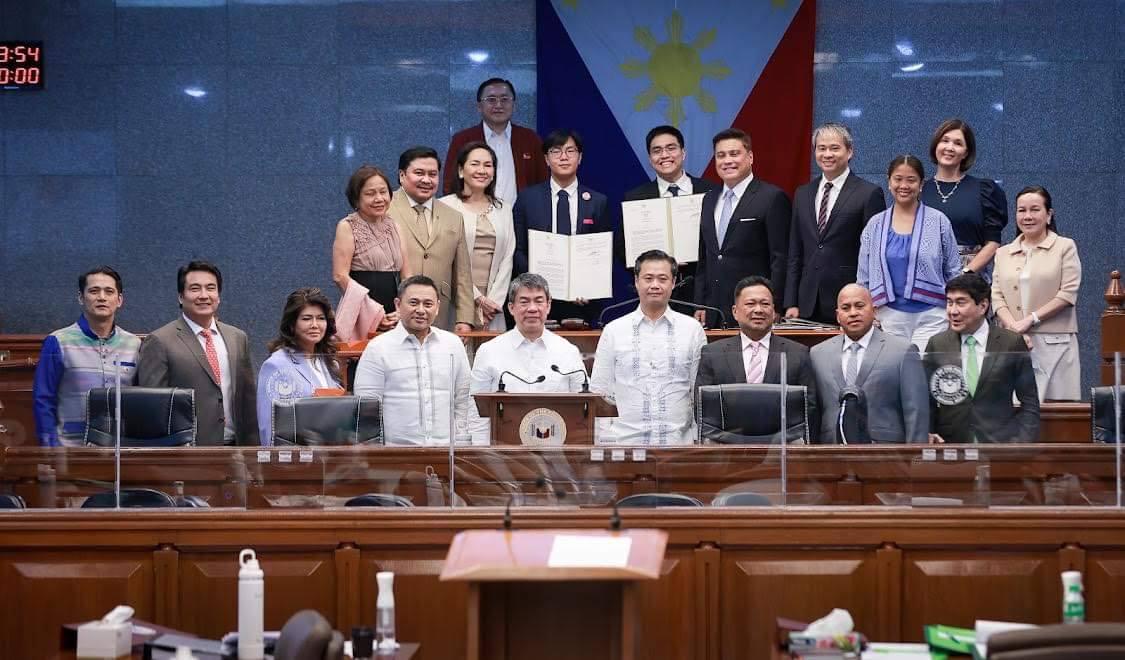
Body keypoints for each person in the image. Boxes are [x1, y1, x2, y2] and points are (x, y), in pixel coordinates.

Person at [591, 250, 706, 445]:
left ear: (673, 282)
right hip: (624, 445)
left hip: (679, 445)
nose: (655, 285)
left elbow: (700, 394)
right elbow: (599, 393)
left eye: (662, 279)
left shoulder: (692, 330)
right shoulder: (614, 330)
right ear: (636, 281)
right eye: (648, 278)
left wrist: (697, 440)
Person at [137, 261, 258, 446]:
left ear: (218, 296)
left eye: (211, 288)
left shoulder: (237, 337)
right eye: (195, 288)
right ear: (180, 296)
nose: (204, 295)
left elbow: (247, 400)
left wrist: (253, 453)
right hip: (187, 453)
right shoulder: (159, 341)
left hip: (236, 449)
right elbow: (152, 408)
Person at [784, 122, 886, 324]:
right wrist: (791, 302)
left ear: (849, 152)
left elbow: (876, 254)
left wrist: (871, 301)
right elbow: (795, 252)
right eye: (821, 148)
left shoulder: (869, 193)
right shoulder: (803, 193)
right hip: (806, 304)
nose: (827, 154)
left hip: (850, 302)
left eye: (834, 148)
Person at [468, 273, 588, 444]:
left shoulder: (568, 351)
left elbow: (583, 409)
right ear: (511, 308)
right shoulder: (489, 351)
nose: (532, 308)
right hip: (504, 453)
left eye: (539, 301)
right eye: (524, 302)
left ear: (548, 306)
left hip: (557, 453)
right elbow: (475, 412)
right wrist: (482, 455)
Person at [857, 155, 961, 352]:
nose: (904, 185)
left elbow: (954, 271)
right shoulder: (875, 225)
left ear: (921, 184)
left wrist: (953, 308)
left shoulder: (939, 221)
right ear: (889, 182)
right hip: (888, 315)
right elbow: (863, 277)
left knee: (924, 373)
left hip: (933, 315)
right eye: (898, 179)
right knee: (894, 374)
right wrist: (867, 311)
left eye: (911, 180)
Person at [697, 276, 819, 441]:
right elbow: (703, 407)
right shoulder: (713, 354)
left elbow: (808, 408)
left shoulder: (797, 353)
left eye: (765, 304)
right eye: (750, 304)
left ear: (774, 310)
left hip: (781, 449)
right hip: (727, 450)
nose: (758, 310)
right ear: (735, 311)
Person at [353, 276, 472, 445]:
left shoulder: (453, 344)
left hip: (447, 452)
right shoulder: (377, 348)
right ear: (397, 304)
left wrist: (461, 445)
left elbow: (463, 401)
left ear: (437, 307)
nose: (421, 310)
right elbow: (367, 410)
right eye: (414, 303)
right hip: (398, 455)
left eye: (428, 304)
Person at [512, 129, 613, 325]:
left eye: (570, 151)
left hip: (583, 301)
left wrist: (590, 287)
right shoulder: (527, 199)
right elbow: (518, 250)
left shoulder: (598, 202)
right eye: (556, 151)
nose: (564, 157)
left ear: (580, 157)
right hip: (536, 300)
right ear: (546, 159)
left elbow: (602, 254)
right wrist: (535, 287)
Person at [33, 266, 142, 447]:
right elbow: (44, 400)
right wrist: (51, 451)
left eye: (109, 291)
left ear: (119, 300)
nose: (102, 297)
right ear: (81, 298)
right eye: (93, 291)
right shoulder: (58, 341)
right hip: (70, 451)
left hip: (120, 452)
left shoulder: (134, 344)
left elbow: (141, 402)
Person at [925, 273, 1039, 444]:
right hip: (951, 447)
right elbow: (927, 399)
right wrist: (929, 432)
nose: (952, 311)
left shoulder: (1011, 343)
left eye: (961, 303)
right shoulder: (937, 343)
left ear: (983, 305)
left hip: (1000, 446)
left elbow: (1029, 401)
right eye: (949, 303)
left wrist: (1021, 443)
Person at [991, 186, 1081, 401]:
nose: (1027, 216)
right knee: (1012, 412)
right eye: (1021, 210)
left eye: (1035, 210)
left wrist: (1030, 320)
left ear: (1049, 214)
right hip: (1013, 342)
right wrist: (1014, 328)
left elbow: (1067, 293)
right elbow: (996, 297)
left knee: (1057, 418)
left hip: (1055, 344)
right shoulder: (1003, 253)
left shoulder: (1064, 247)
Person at [695, 128, 791, 326]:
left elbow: (780, 259)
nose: (727, 160)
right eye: (721, 155)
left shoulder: (772, 198)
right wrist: (700, 304)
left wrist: (776, 304)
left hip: (755, 309)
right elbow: (705, 257)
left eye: (734, 154)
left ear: (750, 157)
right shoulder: (709, 199)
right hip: (714, 310)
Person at [810, 284, 930, 444]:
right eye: (846, 308)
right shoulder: (818, 354)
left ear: (874, 311)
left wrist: (916, 458)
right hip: (831, 453)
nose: (853, 313)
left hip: (886, 455)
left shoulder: (902, 350)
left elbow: (916, 411)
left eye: (859, 306)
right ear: (838, 316)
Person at [387, 146, 475, 333]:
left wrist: (465, 319)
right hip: (391, 312)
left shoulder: (453, 216)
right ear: (402, 175)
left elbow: (463, 275)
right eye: (419, 173)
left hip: (439, 315)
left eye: (433, 174)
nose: (426, 180)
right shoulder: (384, 208)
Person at [438, 142, 515, 331]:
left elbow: (508, 257)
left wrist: (493, 302)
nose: (482, 170)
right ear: (461, 170)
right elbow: (447, 260)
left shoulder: (503, 209)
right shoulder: (444, 206)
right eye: (475, 164)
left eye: (488, 165)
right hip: (457, 299)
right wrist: (476, 298)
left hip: (492, 307)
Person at [920, 118, 1008, 281]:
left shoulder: (984, 190)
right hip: (926, 280)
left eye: (958, 143)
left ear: (966, 152)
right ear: (936, 146)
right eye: (944, 141)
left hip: (970, 280)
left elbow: (993, 243)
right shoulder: (919, 190)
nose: (949, 147)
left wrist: (965, 274)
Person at [256, 288, 343, 445]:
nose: (315, 325)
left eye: (321, 318)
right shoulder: (277, 365)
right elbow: (270, 427)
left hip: (331, 457)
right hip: (296, 462)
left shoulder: (330, 362)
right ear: (291, 324)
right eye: (307, 318)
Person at [332, 165, 411, 340]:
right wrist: (373, 312)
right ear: (356, 198)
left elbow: (407, 275)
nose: (379, 198)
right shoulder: (347, 226)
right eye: (370, 194)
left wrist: (403, 309)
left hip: (394, 313)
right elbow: (340, 276)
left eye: (383, 192)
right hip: (361, 310)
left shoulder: (395, 225)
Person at [443, 77, 548, 206]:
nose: (498, 105)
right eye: (491, 100)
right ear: (479, 106)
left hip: (520, 220)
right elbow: (450, 183)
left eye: (505, 99)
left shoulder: (530, 138)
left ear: (514, 105)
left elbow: (543, 182)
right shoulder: (462, 139)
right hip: (474, 216)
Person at [622, 125, 718, 202]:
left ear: (683, 153)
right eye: (657, 151)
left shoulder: (712, 191)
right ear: (650, 159)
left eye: (671, 148)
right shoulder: (633, 199)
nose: (664, 155)